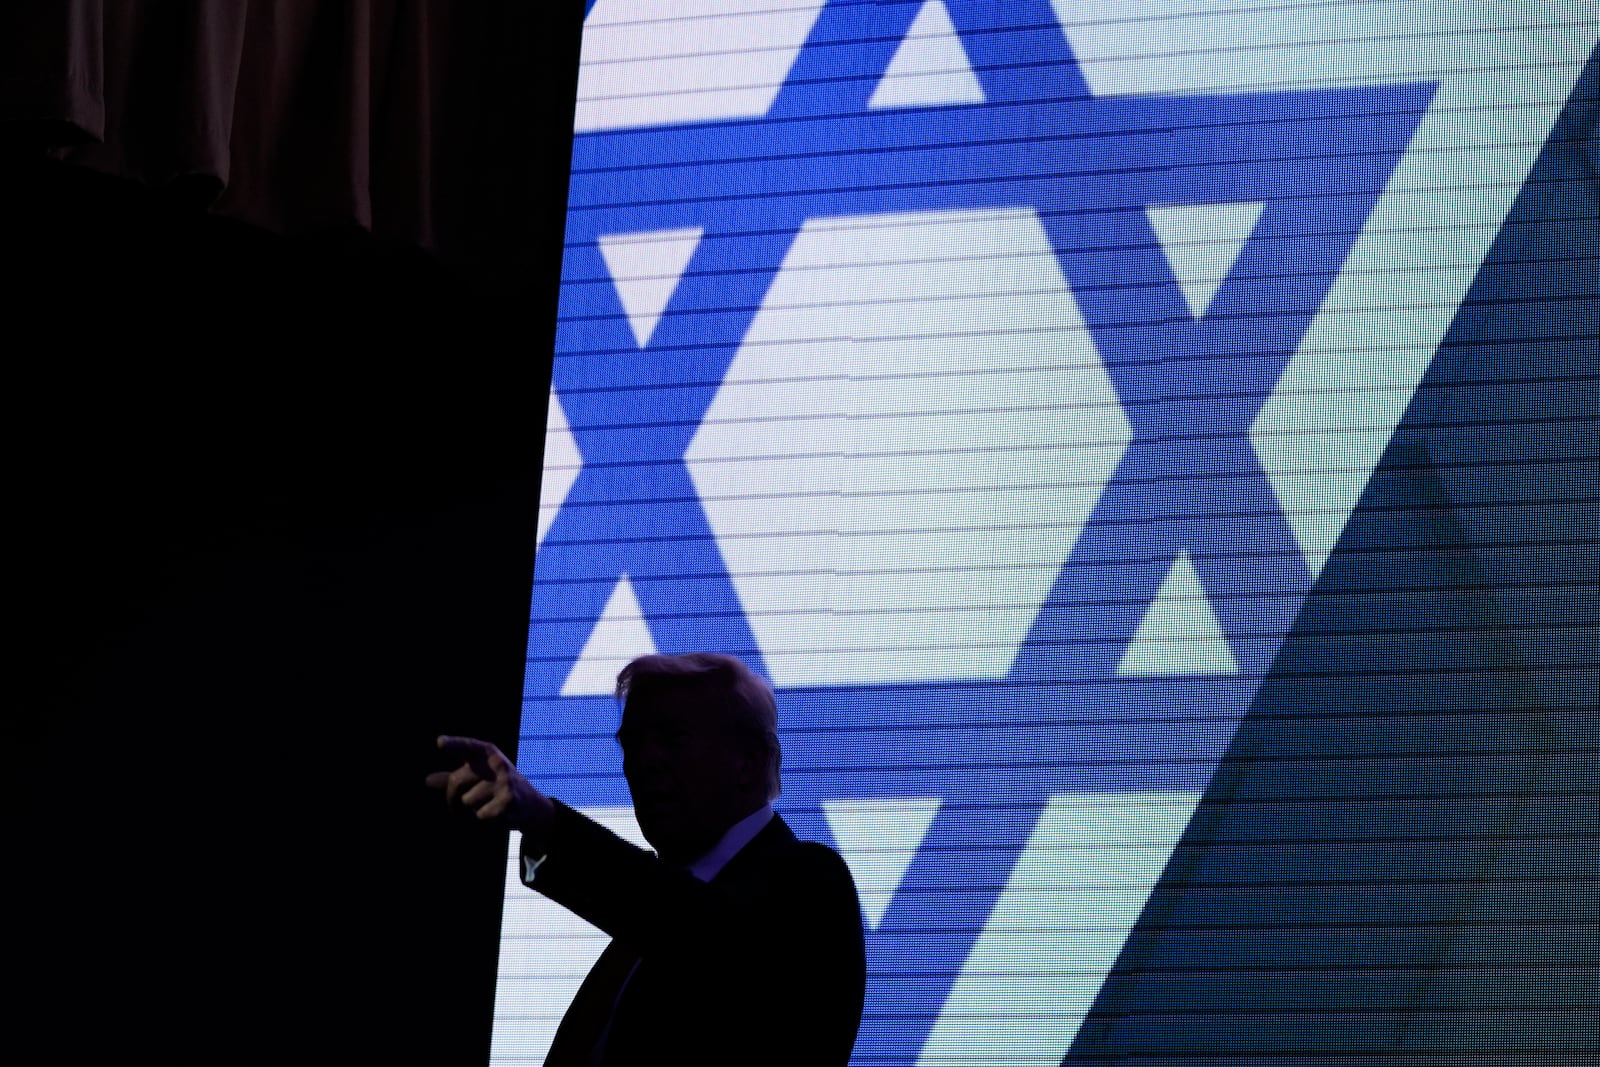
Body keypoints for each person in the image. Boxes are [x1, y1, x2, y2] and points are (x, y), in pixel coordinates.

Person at [428, 652, 866, 1066]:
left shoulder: (808, 884)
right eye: (632, 744)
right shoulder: (648, 917)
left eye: (672, 738)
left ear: (747, 762)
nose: (642, 763)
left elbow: (702, 935)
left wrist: (546, 821)